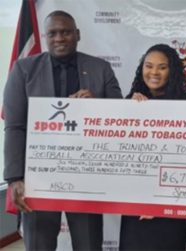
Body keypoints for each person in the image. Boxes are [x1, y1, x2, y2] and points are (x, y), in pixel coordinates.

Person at [3, 10, 122, 251]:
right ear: (46, 37)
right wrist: (15, 178)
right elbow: (14, 126)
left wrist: (97, 105)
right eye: (53, 33)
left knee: (88, 245)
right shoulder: (24, 70)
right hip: (38, 177)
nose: (59, 38)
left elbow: (119, 118)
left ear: (77, 34)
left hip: (86, 175)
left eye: (66, 32)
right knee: (39, 245)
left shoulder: (100, 68)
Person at [119, 44, 186, 251]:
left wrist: (159, 203)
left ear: (172, 71)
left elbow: (184, 160)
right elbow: (121, 155)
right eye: (149, 66)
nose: (154, 73)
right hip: (135, 202)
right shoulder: (129, 102)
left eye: (162, 67)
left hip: (169, 204)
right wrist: (129, 111)